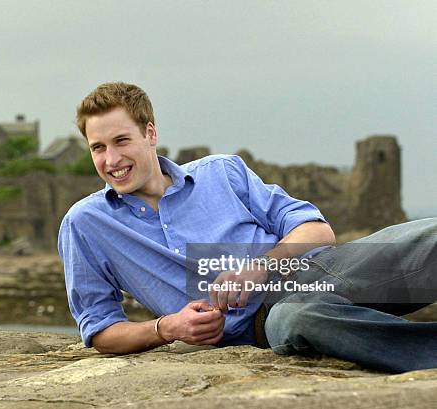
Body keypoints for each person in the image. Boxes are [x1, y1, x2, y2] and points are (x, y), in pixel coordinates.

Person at [58, 82, 437, 373]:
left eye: (121, 140)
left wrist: (259, 267)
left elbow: (317, 230)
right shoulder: (86, 224)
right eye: (98, 148)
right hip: (269, 324)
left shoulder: (222, 171)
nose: (111, 159)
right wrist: (167, 328)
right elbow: (99, 330)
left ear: (150, 134)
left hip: (322, 269)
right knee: (298, 319)